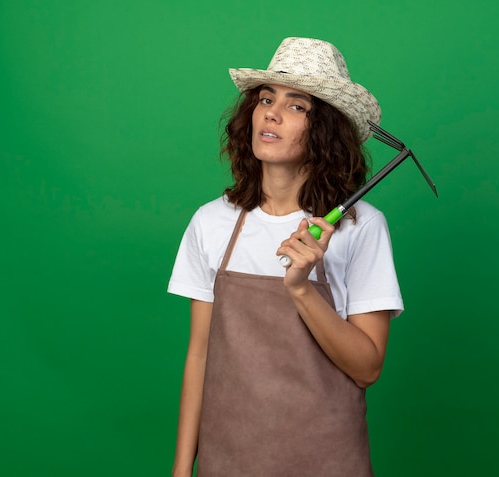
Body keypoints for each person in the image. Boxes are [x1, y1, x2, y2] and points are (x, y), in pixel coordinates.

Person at [168, 37, 404, 477]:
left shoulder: (360, 226)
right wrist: (183, 470)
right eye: (265, 99)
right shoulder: (211, 222)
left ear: (326, 130)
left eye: (298, 106)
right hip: (229, 462)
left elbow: (368, 368)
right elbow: (200, 355)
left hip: (328, 461)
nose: (272, 113)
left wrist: (301, 289)